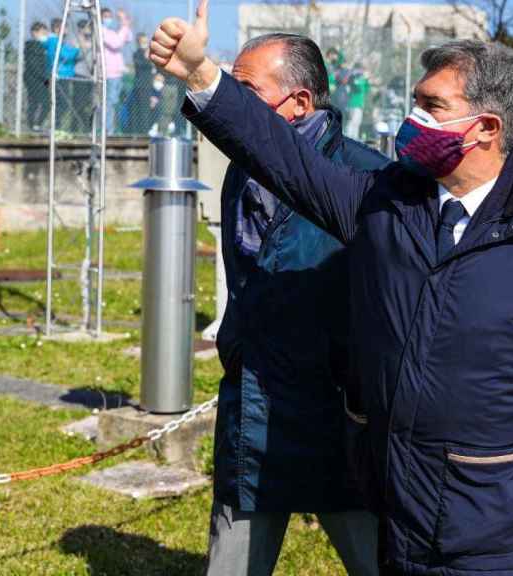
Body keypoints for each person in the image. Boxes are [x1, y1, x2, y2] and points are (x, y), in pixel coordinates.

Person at [151, 7, 513, 574]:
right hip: (397, 505)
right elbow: (288, 161)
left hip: (494, 521)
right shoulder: (386, 203)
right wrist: (203, 77)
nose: (412, 118)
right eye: (416, 101)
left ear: (487, 129)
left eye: (432, 107)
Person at [188, 32, 389, 576]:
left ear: (299, 103)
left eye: (246, 88)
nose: (232, 97)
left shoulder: (364, 178)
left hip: (337, 412)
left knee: (375, 555)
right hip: (254, 403)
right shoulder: (240, 172)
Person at [101, 7, 132, 134]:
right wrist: (124, 25)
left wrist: (124, 22)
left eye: (110, 16)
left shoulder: (111, 31)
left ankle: (111, 129)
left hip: (117, 73)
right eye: (106, 16)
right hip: (108, 73)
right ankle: (107, 130)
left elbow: (128, 37)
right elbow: (117, 43)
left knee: (114, 103)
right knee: (109, 103)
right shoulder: (101, 30)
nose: (109, 19)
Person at [45, 18, 80, 132]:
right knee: (62, 104)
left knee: (62, 103)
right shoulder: (54, 41)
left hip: (64, 74)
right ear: (57, 29)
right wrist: (76, 49)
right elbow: (64, 55)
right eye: (64, 27)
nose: (67, 30)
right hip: (60, 75)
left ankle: (56, 126)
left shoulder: (59, 41)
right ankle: (55, 127)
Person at [24, 21, 50, 131]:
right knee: (34, 103)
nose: (45, 36)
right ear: (34, 33)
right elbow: (34, 65)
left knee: (46, 103)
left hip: (42, 79)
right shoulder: (32, 47)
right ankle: (32, 126)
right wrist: (45, 77)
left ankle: (36, 125)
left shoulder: (43, 47)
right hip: (34, 80)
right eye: (42, 33)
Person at [128, 33, 156, 134]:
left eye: (146, 41)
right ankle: (142, 131)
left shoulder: (150, 53)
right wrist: (146, 58)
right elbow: (140, 65)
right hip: (141, 85)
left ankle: (147, 129)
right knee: (141, 108)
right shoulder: (137, 54)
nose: (145, 43)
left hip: (149, 85)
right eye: (143, 41)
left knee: (148, 108)